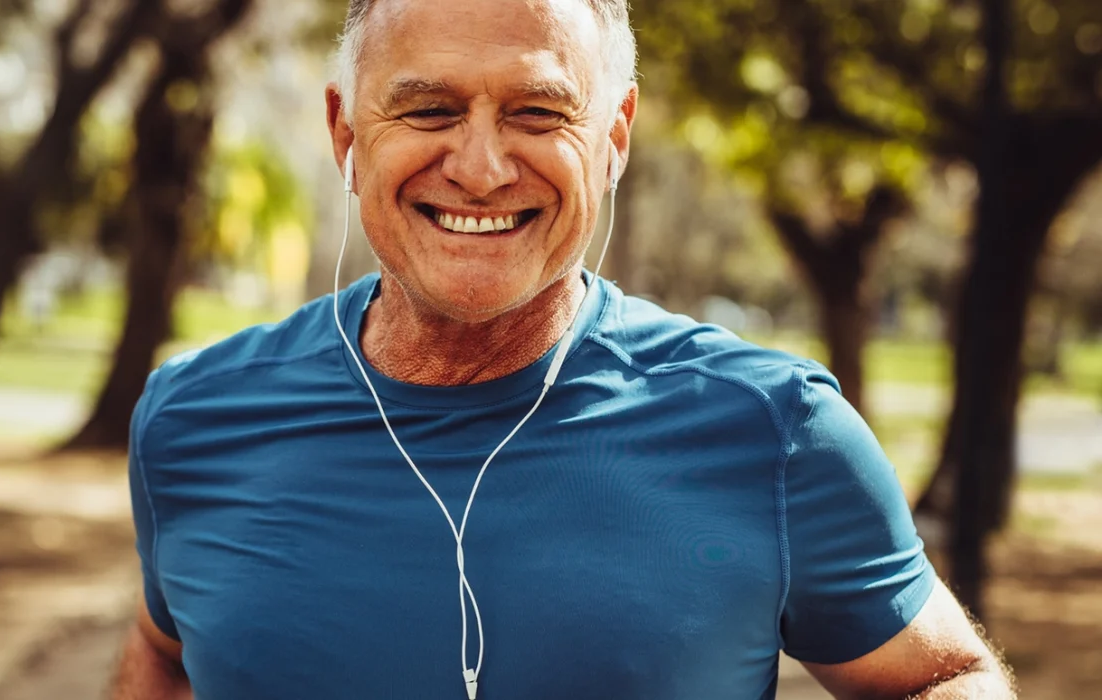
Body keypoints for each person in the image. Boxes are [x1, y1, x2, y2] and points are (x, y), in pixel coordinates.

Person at [111, 0, 1018, 697]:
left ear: (613, 137)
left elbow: (940, 676)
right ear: (346, 132)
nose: (480, 166)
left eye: (537, 112)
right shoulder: (191, 417)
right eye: (427, 109)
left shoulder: (776, 430)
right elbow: (164, 648)